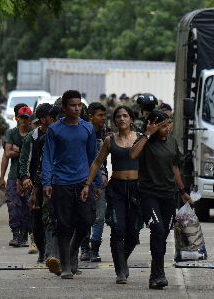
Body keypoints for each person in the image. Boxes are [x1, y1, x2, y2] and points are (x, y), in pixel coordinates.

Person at [42, 90, 102, 279]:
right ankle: (66, 265)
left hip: (84, 182)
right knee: (64, 224)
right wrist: (46, 182)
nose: (77, 108)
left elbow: (94, 158)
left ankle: (72, 249)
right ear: (64, 107)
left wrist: (97, 183)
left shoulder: (88, 128)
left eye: (79, 105)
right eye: (72, 105)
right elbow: (48, 157)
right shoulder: (55, 130)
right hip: (61, 182)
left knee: (86, 221)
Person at [129, 111, 192, 289]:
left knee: (162, 235)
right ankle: (158, 275)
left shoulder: (172, 141)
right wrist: (147, 134)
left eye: (168, 124)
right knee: (157, 230)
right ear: (153, 125)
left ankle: (157, 270)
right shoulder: (145, 141)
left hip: (169, 196)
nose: (167, 128)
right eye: (163, 125)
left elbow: (174, 167)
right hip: (149, 194)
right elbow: (132, 155)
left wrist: (183, 191)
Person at [81, 105, 142, 284]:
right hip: (116, 189)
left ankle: (121, 260)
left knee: (133, 232)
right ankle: (120, 270)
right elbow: (96, 163)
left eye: (125, 116)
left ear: (131, 119)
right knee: (117, 229)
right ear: (114, 121)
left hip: (137, 190)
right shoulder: (110, 140)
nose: (121, 119)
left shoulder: (140, 139)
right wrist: (87, 185)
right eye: (118, 117)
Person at [19, 103, 53, 261]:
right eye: (50, 116)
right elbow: (24, 159)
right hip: (36, 184)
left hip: (56, 183)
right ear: (42, 120)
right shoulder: (32, 138)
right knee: (38, 219)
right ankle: (42, 250)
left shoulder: (58, 134)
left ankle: (55, 251)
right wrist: (25, 178)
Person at [0, 104, 32, 248]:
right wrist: (1, 177)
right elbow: (7, 154)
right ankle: (15, 234)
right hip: (13, 175)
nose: (24, 121)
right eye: (21, 118)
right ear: (17, 119)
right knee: (13, 205)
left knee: (28, 206)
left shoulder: (33, 134)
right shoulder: (11, 133)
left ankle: (24, 235)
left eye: (26, 118)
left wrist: (17, 149)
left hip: (29, 176)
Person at [80, 102, 109, 263]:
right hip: (83, 179)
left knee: (99, 216)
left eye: (105, 116)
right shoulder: (83, 132)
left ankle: (94, 249)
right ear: (91, 116)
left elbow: (101, 160)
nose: (103, 119)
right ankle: (84, 248)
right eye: (100, 116)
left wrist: (103, 175)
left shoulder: (105, 134)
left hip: (99, 180)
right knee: (84, 216)